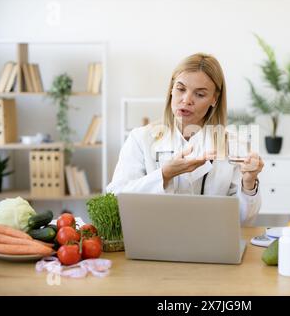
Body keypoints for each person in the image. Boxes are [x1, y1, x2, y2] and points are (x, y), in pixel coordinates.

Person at [107, 53, 264, 225]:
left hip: (211, 245)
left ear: (214, 99)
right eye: (181, 89)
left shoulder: (234, 145)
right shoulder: (140, 138)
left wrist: (248, 183)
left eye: (200, 94)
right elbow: (115, 199)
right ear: (171, 90)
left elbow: (243, 221)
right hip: (154, 242)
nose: (186, 100)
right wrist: (164, 175)